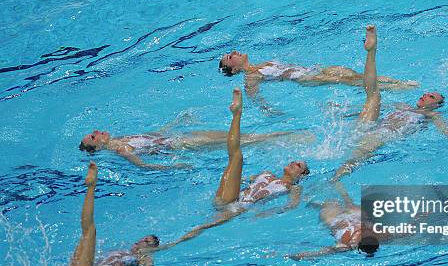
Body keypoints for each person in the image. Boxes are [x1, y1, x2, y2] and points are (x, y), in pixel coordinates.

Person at [160, 88, 310, 249]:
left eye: (298, 165)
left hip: (236, 207)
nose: (293, 163)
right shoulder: (267, 173)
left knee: (204, 226)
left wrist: (266, 213)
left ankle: (169, 245)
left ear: (301, 175)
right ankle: (236, 114)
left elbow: (291, 206)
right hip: (228, 196)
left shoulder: (293, 187)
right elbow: (244, 179)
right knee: (234, 158)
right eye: (294, 161)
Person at [22, 162, 160, 266]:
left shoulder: (145, 257)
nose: (141, 241)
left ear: (152, 248)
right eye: (143, 238)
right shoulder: (123, 249)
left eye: (147, 242)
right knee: (87, 233)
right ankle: (91, 187)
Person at [332, 25, 448, 181]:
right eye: (427, 93)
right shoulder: (403, 106)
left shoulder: (431, 115)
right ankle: (371, 51)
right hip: (367, 126)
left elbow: (444, 129)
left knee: (353, 160)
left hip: (381, 135)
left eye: (431, 97)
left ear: (436, 105)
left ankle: (333, 181)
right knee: (374, 97)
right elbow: (372, 110)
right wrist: (345, 112)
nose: (425, 95)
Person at [218, 48, 418, 113]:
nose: (234, 52)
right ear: (234, 69)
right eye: (230, 57)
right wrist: (271, 111)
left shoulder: (263, 62)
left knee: (354, 74)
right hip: (304, 78)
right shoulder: (251, 76)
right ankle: (396, 89)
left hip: (309, 70)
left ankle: (398, 82)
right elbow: (254, 98)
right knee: (348, 81)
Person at [79, 119, 296, 170]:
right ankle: (284, 137)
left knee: (240, 134)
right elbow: (143, 166)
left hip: (182, 135)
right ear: (97, 147)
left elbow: (153, 135)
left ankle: (278, 136)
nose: (96, 132)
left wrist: (177, 121)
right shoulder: (121, 148)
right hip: (182, 144)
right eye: (93, 137)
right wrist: (175, 166)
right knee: (237, 139)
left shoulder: (124, 138)